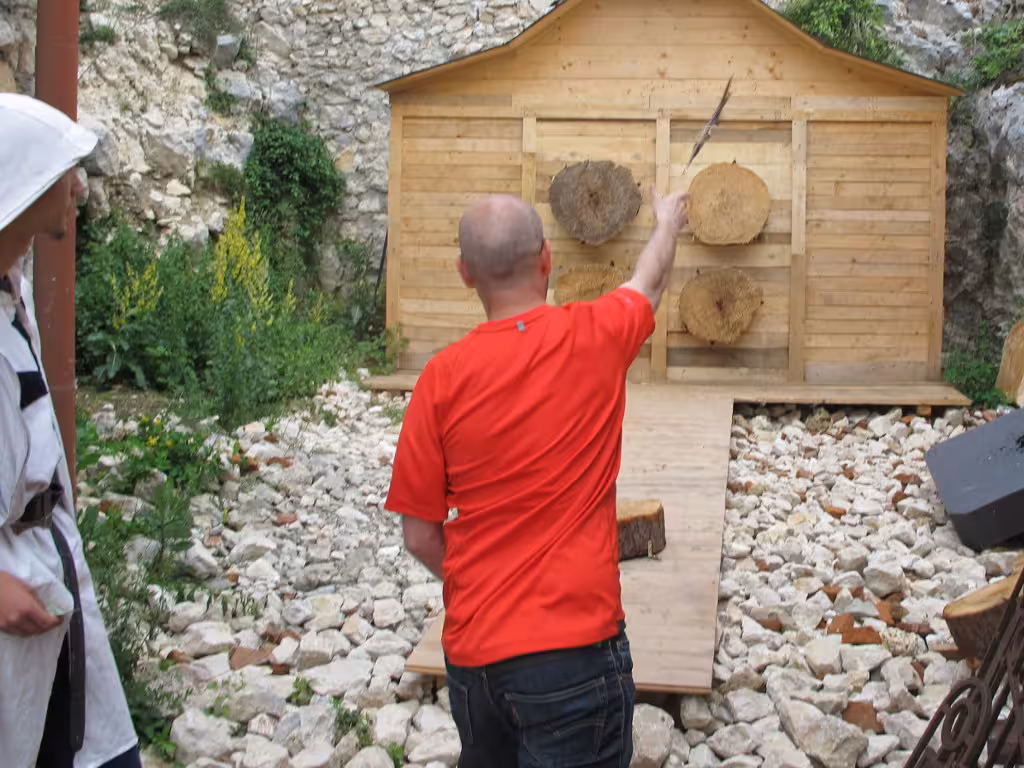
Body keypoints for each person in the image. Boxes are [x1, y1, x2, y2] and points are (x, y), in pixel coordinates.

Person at [385, 185, 689, 767]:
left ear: (464, 274)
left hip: (475, 658)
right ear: (546, 258)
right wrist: (667, 221)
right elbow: (649, 281)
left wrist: (482, 588)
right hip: (576, 652)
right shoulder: (594, 335)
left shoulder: (439, 380)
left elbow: (420, 535)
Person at [0, 93, 141, 768]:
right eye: (64, 172)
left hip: (47, 570)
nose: (80, 187)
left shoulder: (13, 290)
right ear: (22, 183)